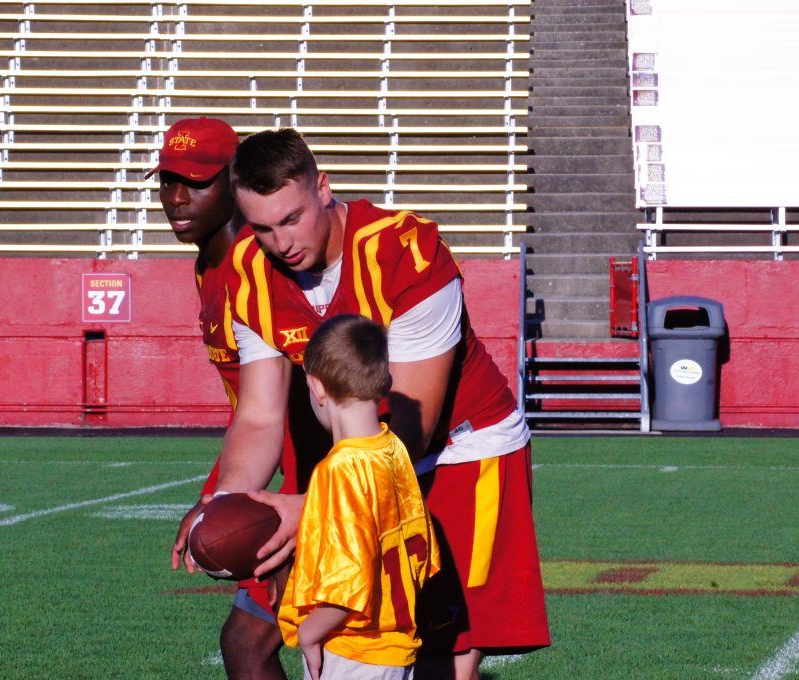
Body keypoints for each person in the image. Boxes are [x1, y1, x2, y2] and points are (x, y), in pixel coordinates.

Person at [215, 127, 550, 679]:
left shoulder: (404, 249)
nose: (281, 242)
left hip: (461, 446)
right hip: (362, 450)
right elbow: (258, 414)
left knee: (445, 639)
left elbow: (417, 415)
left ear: (323, 188)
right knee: (367, 629)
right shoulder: (249, 271)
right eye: (262, 227)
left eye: (292, 218)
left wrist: (320, 505)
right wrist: (229, 501)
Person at [150, 117, 301, 679]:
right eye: (167, 181)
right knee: (249, 643)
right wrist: (216, 494)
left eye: (196, 181)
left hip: (320, 478)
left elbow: (292, 400)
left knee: (276, 643)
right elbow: (251, 412)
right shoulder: (207, 266)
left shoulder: (260, 264)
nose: (177, 197)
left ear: (236, 182)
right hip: (283, 472)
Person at [278, 314, 439, 680]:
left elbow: (349, 581)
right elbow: (424, 551)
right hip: (395, 645)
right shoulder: (394, 449)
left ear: (317, 387)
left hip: (352, 646)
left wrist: (309, 631)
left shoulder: (340, 470)